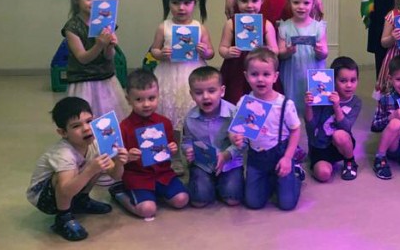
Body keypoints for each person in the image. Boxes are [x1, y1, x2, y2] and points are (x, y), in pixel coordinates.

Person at [26, 97, 127, 241]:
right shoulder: (63, 154)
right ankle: (63, 217)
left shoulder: (95, 143)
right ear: (63, 133)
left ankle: (81, 201)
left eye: (89, 121)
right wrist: (90, 170)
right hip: (44, 198)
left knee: (97, 163)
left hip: (70, 188)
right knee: (79, 171)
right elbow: (65, 190)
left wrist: (119, 163)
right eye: (76, 126)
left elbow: (116, 176)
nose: (86, 128)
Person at [109, 70, 189, 220]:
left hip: (163, 174)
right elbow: (117, 159)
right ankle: (119, 193)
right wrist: (127, 157)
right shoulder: (123, 128)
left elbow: (167, 152)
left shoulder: (165, 122)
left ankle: (156, 194)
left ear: (158, 95)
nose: (146, 104)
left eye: (151, 98)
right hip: (137, 176)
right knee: (147, 210)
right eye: (139, 99)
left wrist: (172, 149)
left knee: (182, 200)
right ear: (128, 99)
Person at [230, 47, 304, 211]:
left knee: (287, 204)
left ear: (275, 76)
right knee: (253, 203)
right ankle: (271, 180)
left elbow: (295, 130)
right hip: (256, 159)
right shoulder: (244, 103)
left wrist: (287, 157)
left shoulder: (285, 104)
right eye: (254, 74)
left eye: (266, 74)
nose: (260, 79)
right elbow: (235, 130)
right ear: (246, 76)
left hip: (280, 154)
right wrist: (235, 138)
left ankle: (295, 173)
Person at [62, 0, 128, 122]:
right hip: (83, 82)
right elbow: (82, 58)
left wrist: (109, 46)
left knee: (108, 121)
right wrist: (99, 45)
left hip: (106, 79)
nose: (95, 2)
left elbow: (109, 56)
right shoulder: (72, 27)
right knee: (87, 119)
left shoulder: (107, 22)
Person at [149, 0, 214, 130]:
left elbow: (211, 52)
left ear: (194, 3)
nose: (181, 8)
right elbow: (154, 49)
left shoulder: (199, 27)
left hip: (193, 71)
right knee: (168, 105)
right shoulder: (164, 27)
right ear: (168, 3)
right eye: (175, 3)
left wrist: (205, 51)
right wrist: (161, 54)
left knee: (190, 105)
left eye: (186, 3)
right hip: (168, 72)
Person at [181, 66, 244, 207]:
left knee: (233, 199)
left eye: (211, 91)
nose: (205, 97)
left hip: (230, 163)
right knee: (199, 201)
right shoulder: (190, 118)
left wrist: (226, 155)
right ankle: (209, 184)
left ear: (222, 91)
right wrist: (188, 150)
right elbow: (186, 141)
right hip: (202, 164)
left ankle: (219, 184)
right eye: (198, 92)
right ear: (191, 95)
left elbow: (242, 143)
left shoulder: (234, 113)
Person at [218, 0, 279, 104]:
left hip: (259, 68)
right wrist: (228, 52)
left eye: (254, 1)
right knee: (234, 98)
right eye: (244, 1)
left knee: (260, 99)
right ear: (236, 1)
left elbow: (275, 50)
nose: (249, 5)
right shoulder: (231, 23)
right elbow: (222, 48)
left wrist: (268, 50)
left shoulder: (266, 25)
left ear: (262, 0)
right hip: (236, 68)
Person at [304, 56, 362, 182]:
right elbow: (311, 126)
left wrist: (336, 106)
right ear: (333, 81)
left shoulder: (356, 102)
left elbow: (346, 127)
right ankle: (318, 162)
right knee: (323, 174)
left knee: (339, 134)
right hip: (320, 145)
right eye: (343, 81)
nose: (349, 85)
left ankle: (350, 161)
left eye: (353, 80)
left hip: (341, 144)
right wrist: (308, 106)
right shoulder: (322, 98)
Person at [278, 0, 328, 114]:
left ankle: (313, 125)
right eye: (296, 2)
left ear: (313, 4)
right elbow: (280, 53)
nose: (301, 7)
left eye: (306, 3)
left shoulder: (318, 27)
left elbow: (325, 53)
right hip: (292, 72)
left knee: (312, 105)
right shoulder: (284, 27)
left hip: (313, 70)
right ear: (289, 3)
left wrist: (320, 51)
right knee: (291, 105)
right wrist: (288, 51)